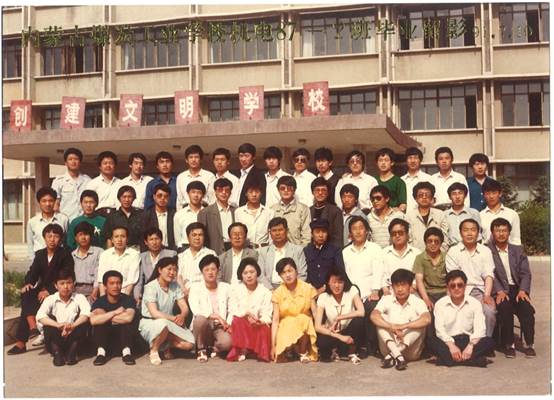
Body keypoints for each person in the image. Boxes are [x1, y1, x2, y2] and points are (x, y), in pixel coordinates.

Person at [8, 224, 74, 355]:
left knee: (26, 309)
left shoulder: (65, 254)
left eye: (56, 236)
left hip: (59, 289)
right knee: (27, 292)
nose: (52, 239)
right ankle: (33, 327)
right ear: (44, 238)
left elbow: (66, 275)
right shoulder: (40, 254)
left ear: (60, 239)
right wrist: (28, 283)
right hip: (41, 290)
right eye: (49, 236)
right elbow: (32, 272)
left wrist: (49, 291)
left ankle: (22, 342)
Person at [489, 218, 536, 358]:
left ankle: (529, 344)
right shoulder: (487, 251)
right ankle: (509, 344)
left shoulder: (518, 250)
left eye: (504, 230)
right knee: (505, 309)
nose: (501, 234)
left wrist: (523, 290)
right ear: (492, 233)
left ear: (509, 232)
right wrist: (498, 291)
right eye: (498, 231)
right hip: (499, 289)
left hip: (517, 288)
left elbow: (525, 273)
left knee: (527, 309)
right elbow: (489, 273)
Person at [429, 270, 496, 367]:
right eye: (453, 286)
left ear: (465, 286)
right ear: (448, 287)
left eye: (460, 285)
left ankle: (445, 360)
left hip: (468, 340)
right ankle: (477, 361)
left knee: (489, 342)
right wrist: (451, 346)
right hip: (448, 341)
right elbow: (440, 330)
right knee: (430, 342)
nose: (456, 288)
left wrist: (470, 346)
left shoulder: (475, 303)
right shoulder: (440, 304)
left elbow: (480, 329)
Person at [371, 269, 431, 370]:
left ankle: (393, 355)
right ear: (392, 287)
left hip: (411, 351)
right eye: (396, 285)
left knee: (419, 320)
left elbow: (427, 319)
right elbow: (373, 316)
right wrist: (391, 326)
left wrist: (403, 326)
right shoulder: (386, 299)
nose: (399, 289)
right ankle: (398, 356)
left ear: (410, 286)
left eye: (403, 285)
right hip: (389, 346)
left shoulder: (417, 301)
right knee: (381, 318)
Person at [139, 257, 195, 365]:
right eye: (169, 269)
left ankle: (164, 346)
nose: (172, 273)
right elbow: (154, 313)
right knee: (163, 324)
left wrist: (182, 316)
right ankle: (154, 350)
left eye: (175, 270)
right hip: (150, 322)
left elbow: (184, 307)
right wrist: (174, 318)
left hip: (169, 322)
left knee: (189, 344)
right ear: (160, 270)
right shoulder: (150, 287)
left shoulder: (175, 286)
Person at [446, 219, 496, 337]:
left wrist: (487, 295)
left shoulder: (485, 251)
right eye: (466, 230)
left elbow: (489, 275)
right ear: (460, 233)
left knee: (489, 312)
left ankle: (485, 342)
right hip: (460, 290)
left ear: (478, 233)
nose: (469, 233)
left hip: (481, 291)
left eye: (473, 230)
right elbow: (454, 278)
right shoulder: (453, 251)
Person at [342, 216, 384, 356]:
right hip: (352, 295)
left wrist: (375, 291)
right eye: (354, 229)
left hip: (370, 293)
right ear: (350, 233)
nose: (358, 231)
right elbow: (345, 276)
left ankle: (372, 346)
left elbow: (378, 271)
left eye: (361, 228)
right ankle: (355, 346)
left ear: (367, 231)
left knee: (372, 307)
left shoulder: (375, 249)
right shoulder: (345, 252)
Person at [36, 268, 90, 366]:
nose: (66, 287)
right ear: (56, 285)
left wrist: (72, 326)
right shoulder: (50, 299)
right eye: (62, 283)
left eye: (69, 283)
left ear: (73, 284)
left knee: (83, 320)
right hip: (56, 339)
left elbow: (86, 314)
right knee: (48, 320)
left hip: (74, 338)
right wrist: (58, 325)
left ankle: (72, 353)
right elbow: (40, 316)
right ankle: (57, 353)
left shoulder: (80, 297)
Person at [271, 257, 318, 363]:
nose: (287, 275)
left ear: (296, 271)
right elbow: (275, 320)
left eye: (290, 271)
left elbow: (315, 313)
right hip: (285, 325)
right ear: (280, 276)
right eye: (283, 273)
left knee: (304, 318)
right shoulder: (277, 293)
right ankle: (290, 349)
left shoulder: (308, 288)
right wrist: (273, 345)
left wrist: (321, 332)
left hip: (304, 325)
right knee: (287, 324)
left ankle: (302, 351)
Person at [315, 267, 365, 364]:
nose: (337, 286)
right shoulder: (323, 297)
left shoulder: (352, 290)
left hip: (349, 331)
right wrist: (339, 336)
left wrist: (339, 317)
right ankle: (337, 350)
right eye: (333, 282)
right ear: (328, 283)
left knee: (359, 321)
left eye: (340, 282)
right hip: (333, 332)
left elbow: (361, 311)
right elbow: (317, 326)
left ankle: (351, 352)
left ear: (344, 282)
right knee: (322, 342)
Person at [227, 258, 273, 362]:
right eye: (245, 273)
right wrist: (245, 313)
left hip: (256, 325)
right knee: (238, 320)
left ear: (257, 273)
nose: (249, 276)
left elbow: (267, 314)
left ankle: (255, 350)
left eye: (252, 272)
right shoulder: (235, 290)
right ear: (241, 275)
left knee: (264, 328)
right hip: (240, 325)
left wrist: (259, 321)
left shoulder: (265, 292)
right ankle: (242, 349)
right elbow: (232, 309)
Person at [189, 255, 233, 362]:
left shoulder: (226, 287)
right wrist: (215, 316)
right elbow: (195, 309)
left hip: (219, 326)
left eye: (213, 269)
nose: (210, 272)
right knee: (200, 319)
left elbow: (232, 308)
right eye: (207, 270)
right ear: (202, 272)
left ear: (218, 270)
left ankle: (213, 348)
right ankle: (201, 348)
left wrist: (228, 323)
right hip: (203, 326)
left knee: (228, 343)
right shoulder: (195, 288)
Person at [90, 270, 137, 366]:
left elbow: (128, 318)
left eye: (118, 283)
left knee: (125, 323)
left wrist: (105, 316)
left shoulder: (128, 300)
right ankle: (101, 354)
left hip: (125, 340)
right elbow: (93, 320)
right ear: (105, 286)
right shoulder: (99, 302)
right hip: (105, 340)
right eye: (111, 283)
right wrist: (115, 313)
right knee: (100, 324)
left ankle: (127, 354)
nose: (115, 286)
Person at [258, 217, 308, 289]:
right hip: (269, 289)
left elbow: (302, 275)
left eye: (280, 230)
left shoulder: (297, 250)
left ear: (287, 231)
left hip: (292, 289)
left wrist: (289, 290)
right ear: (270, 233)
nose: (277, 233)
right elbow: (260, 275)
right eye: (274, 230)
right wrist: (270, 290)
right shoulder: (263, 252)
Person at [135, 228, 177, 303]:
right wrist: (137, 296)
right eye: (151, 239)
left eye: (157, 239)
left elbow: (174, 277)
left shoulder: (171, 254)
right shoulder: (142, 257)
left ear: (161, 240)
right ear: (146, 242)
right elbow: (139, 281)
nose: (154, 242)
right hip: (149, 292)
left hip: (167, 291)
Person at [303, 219, 345, 295]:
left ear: (327, 233)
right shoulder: (306, 251)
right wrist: (312, 290)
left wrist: (324, 288)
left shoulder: (335, 250)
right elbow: (304, 274)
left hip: (330, 292)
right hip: (310, 293)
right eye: (317, 232)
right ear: (312, 234)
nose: (321, 235)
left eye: (324, 231)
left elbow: (339, 272)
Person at [26, 187, 69, 260]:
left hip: (59, 260)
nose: (47, 204)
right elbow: (30, 246)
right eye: (44, 201)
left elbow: (66, 243)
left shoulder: (63, 219)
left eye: (50, 201)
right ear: (39, 202)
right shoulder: (32, 222)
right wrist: (34, 261)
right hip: (39, 261)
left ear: (55, 202)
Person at [97, 226, 140, 297]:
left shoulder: (134, 254)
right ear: (112, 240)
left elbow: (131, 280)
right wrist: (102, 298)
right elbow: (101, 279)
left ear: (127, 239)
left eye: (123, 236)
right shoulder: (105, 254)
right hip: (108, 295)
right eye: (116, 236)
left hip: (126, 294)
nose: (119, 240)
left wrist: (124, 299)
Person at [405, 182, 448, 252]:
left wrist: (439, 254)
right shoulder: (408, 217)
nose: (424, 197)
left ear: (432, 198)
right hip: (416, 255)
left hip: (437, 255)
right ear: (415, 198)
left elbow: (445, 239)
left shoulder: (440, 214)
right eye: (421, 195)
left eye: (427, 195)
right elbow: (407, 240)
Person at [198, 177, 236, 254]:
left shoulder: (236, 211)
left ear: (230, 193)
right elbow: (202, 236)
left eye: (227, 190)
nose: (224, 193)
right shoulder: (205, 212)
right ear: (215, 192)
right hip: (214, 250)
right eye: (220, 190)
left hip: (234, 248)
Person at [177, 222, 217, 296]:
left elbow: (215, 277)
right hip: (184, 293)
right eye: (194, 235)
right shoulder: (181, 256)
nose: (197, 238)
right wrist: (184, 291)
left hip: (205, 293)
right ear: (188, 238)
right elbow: (178, 277)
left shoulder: (211, 254)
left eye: (200, 235)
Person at [51, 147, 91, 221]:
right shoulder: (58, 181)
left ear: (80, 162)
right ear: (66, 163)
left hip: (84, 221)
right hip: (66, 221)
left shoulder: (87, 181)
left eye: (76, 159)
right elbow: (55, 204)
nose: (73, 161)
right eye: (70, 159)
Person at [271, 175, 311, 247]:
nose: (286, 191)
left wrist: (300, 251)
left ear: (294, 190)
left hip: (297, 250)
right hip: (276, 250)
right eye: (282, 188)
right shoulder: (272, 209)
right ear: (278, 190)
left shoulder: (303, 209)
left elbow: (307, 235)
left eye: (289, 188)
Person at [381, 219, 418, 294]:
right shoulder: (383, 253)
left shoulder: (416, 253)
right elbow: (381, 276)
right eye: (394, 233)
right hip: (390, 293)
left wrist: (413, 287)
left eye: (400, 233)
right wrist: (385, 290)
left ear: (407, 234)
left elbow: (418, 277)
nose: (397, 236)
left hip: (412, 293)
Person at [414, 227, 448, 309]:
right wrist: (426, 299)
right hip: (428, 293)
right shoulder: (420, 258)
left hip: (445, 293)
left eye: (436, 241)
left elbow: (452, 279)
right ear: (425, 242)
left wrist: (448, 298)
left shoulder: (447, 257)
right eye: (430, 241)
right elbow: (419, 280)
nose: (433, 244)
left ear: (441, 243)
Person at [480, 179, 521, 245]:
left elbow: (516, 240)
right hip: (487, 250)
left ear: (500, 194)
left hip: (507, 250)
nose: (491, 196)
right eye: (488, 193)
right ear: (484, 195)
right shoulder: (480, 216)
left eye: (494, 193)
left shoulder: (512, 214)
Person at [235, 180, 274, 249]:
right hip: (246, 249)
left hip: (264, 249)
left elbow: (271, 235)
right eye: (250, 192)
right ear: (246, 194)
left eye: (257, 192)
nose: (254, 195)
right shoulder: (239, 212)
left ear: (261, 193)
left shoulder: (269, 212)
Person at [103, 185, 144, 249]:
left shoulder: (141, 215)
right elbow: (109, 238)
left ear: (134, 198)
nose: (127, 200)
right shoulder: (112, 217)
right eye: (124, 197)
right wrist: (110, 252)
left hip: (137, 249)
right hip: (118, 249)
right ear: (119, 198)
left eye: (129, 197)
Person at [71, 221, 102, 303]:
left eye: (86, 234)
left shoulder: (99, 252)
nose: (83, 237)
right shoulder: (72, 255)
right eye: (80, 234)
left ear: (91, 236)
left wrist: (95, 290)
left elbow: (99, 273)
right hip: (75, 291)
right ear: (76, 238)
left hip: (93, 291)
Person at [309, 177, 343, 248]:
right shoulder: (309, 210)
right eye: (317, 190)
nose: (320, 193)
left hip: (329, 250)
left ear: (328, 193)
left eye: (323, 190)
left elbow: (338, 238)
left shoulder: (335, 211)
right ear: (313, 192)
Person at [445, 182, 482, 248]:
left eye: (460, 193)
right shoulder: (444, 215)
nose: (457, 197)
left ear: (465, 196)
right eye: (454, 194)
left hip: (470, 248)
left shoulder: (474, 213)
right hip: (451, 249)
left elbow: (478, 235)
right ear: (450, 197)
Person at [85, 151, 121, 217]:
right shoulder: (92, 184)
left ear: (115, 165)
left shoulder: (121, 183)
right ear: (100, 166)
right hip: (97, 216)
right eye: (105, 163)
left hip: (117, 215)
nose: (108, 165)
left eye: (111, 163)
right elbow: (87, 202)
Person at [143, 183, 176, 251]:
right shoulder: (146, 215)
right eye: (159, 196)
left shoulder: (174, 214)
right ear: (154, 197)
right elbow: (143, 238)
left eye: (166, 196)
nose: (162, 198)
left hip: (172, 250)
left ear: (169, 198)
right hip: (152, 251)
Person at [173, 181, 205, 250]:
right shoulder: (179, 214)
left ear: (203, 195)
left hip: (203, 247)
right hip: (185, 248)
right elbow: (177, 239)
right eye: (193, 192)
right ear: (188, 194)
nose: (196, 195)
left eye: (199, 193)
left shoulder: (207, 213)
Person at [401, 147, 431, 212]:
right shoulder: (401, 180)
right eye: (410, 158)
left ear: (420, 160)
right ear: (406, 161)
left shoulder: (428, 179)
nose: (412, 161)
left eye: (415, 158)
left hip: (423, 214)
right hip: (405, 216)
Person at [236, 143, 266, 207]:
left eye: (247, 156)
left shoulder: (259, 175)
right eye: (241, 156)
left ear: (253, 157)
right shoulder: (235, 174)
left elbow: (262, 197)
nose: (243, 159)